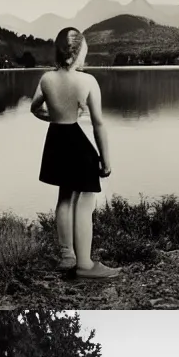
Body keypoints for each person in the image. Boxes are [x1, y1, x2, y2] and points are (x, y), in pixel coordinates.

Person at [30, 28, 119, 279]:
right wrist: (106, 159)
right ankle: (86, 265)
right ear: (79, 52)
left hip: (56, 139)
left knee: (65, 198)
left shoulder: (46, 79)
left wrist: (51, 116)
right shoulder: (88, 81)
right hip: (77, 142)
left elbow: (34, 108)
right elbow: (99, 123)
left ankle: (66, 255)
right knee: (86, 201)